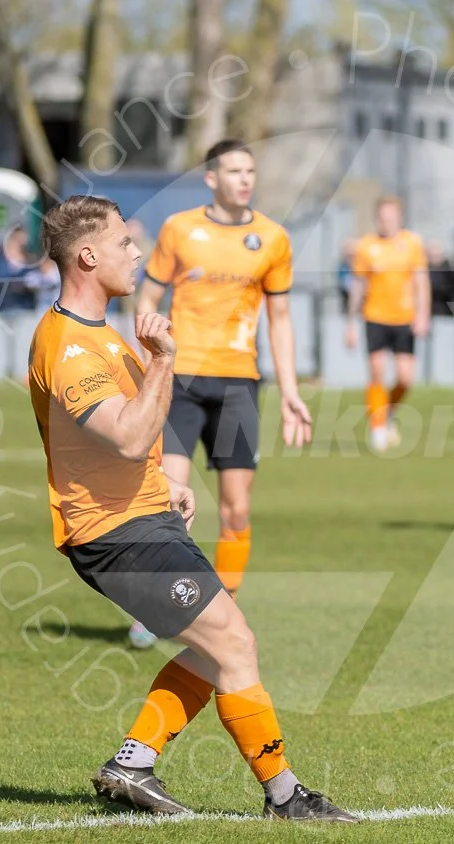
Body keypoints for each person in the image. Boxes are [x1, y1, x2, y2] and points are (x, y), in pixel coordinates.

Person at [28, 194, 352, 822]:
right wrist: (167, 360)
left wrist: (161, 478)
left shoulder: (101, 336)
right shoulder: (68, 346)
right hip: (116, 534)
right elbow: (124, 432)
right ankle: (284, 797)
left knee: (215, 650)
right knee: (234, 643)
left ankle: (134, 764)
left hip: (141, 519)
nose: (136, 252)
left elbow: (132, 439)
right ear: (87, 255)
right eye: (125, 242)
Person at [132, 139, 313, 650]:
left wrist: (292, 390)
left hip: (239, 383)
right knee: (169, 502)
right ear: (211, 178)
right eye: (234, 170)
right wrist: (147, 361)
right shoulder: (179, 229)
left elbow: (280, 319)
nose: (245, 179)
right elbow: (147, 296)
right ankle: (153, 608)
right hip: (181, 380)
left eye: (250, 170)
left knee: (236, 509)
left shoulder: (273, 238)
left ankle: (224, 607)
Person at [346, 196, 431, 453]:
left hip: (404, 318)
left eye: (391, 218)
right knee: (377, 371)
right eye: (383, 218)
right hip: (375, 317)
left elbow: (421, 281)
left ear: (400, 218)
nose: (387, 223)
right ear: (376, 219)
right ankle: (378, 427)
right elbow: (358, 285)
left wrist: (423, 314)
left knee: (405, 378)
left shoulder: (412, 243)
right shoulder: (366, 246)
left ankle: (387, 411)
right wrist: (350, 322)